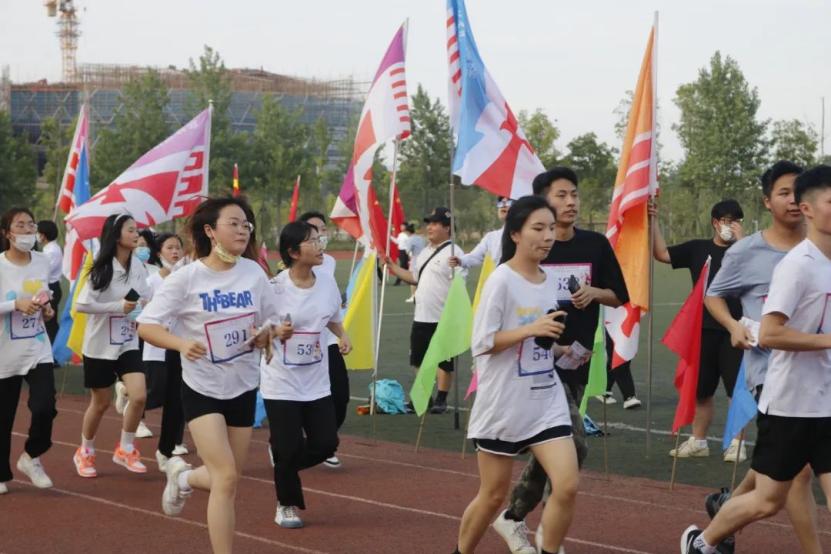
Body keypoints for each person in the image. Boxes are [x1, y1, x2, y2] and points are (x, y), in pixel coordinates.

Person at [681, 165, 831, 554]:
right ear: (769, 201)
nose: (791, 200)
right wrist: (733, 325)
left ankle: (726, 510)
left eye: (796, 191)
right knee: (787, 482)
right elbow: (723, 300)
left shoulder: (822, 254)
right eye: (784, 193)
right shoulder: (776, 260)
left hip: (823, 387)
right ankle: (708, 539)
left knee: (772, 482)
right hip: (776, 380)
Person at [493, 167, 629, 554]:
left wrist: (594, 293)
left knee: (559, 446)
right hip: (534, 362)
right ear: (542, 201)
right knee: (573, 444)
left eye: (575, 194)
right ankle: (536, 530)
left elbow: (620, 295)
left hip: (575, 361)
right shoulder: (530, 248)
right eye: (561, 195)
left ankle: (514, 518)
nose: (571, 202)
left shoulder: (595, 245)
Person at [138, 197, 278, 554]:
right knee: (226, 476)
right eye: (234, 223)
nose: (243, 230)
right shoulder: (187, 278)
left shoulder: (254, 273)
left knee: (226, 479)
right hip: (202, 388)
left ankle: (183, 476)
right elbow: (147, 325)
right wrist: (181, 344)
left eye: (246, 224)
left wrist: (268, 334)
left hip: (243, 386)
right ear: (210, 231)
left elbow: (271, 319)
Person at [455, 196, 576, 554]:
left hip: (545, 400)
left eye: (551, 228)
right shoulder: (501, 280)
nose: (548, 236)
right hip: (504, 404)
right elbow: (482, 343)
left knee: (567, 484)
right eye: (538, 228)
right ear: (516, 234)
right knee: (493, 496)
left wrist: (560, 348)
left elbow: (540, 337)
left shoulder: (550, 280)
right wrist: (530, 329)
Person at [261, 220, 352, 529]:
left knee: (326, 443)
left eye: (319, 239)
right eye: (312, 241)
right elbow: (256, 331)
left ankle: (284, 465)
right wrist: (277, 331)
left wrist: (342, 334)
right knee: (287, 447)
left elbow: (332, 316)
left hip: (316, 381)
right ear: (293, 252)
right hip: (281, 382)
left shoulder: (326, 283)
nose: (320, 245)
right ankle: (286, 504)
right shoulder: (274, 288)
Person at [650, 199, 746, 462]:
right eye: (727, 221)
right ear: (715, 223)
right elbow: (662, 254)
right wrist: (653, 220)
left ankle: (737, 443)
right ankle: (699, 441)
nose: (732, 226)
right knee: (700, 390)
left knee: (735, 391)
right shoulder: (697, 249)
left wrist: (743, 243)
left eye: (737, 221)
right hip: (702, 331)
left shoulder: (746, 249)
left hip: (736, 330)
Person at [73, 213, 152, 477]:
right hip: (100, 345)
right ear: (116, 235)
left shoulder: (138, 265)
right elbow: (82, 304)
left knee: (139, 396)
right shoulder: (102, 267)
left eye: (137, 229)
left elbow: (146, 296)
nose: (136, 234)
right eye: (131, 230)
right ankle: (85, 451)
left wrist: (142, 307)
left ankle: (125, 449)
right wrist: (118, 307)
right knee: (101, 403)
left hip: (127, 341)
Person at [385, 207, 466, 414]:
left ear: (447, 228)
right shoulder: (424, 252)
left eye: (435, 223)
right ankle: (423, 398)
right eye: (429, 223)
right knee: (418, 359)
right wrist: (392, 266)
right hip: (421, 316)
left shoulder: (454, 253)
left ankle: (441, 399)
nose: (429, 227)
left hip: (444, 318)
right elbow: (414, 277)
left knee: (444, 361)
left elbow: (459, 286)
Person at [0, 208, 58, 494]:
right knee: (4, 417)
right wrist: (15, 305)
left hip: (37, 347)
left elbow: (46, 295)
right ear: (7, 233)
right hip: (5, 351)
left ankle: (32, 455)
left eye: (31, 225)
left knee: (45, 406)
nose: (27, 230)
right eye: (20, 225)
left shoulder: (42, 260)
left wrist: (47, 309)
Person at [298, 211, 348, 468]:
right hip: (300, 343)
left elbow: (329, 300)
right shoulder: (290, 266)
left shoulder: (329, 261)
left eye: (323, 229)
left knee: (340, 394)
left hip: (327, 340)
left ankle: (322, 440)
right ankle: (283, 442)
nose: (320, 235)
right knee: (299, 398)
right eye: (313, 230)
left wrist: (342, 333)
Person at [143, 232, 189, 471]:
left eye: (178, 247)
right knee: (159, 391)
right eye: (169, 247)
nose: (175, 252)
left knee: (179, 397)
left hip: (184, 344)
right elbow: (142, 312)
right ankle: (134, 404)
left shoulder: (187, 275)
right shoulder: (153, 281)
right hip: (158, 345)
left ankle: (172, 444)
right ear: (159, 252)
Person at [449, 196, 511, 271]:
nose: (503, 205)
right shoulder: (491, 237)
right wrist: (460, 261)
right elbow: (475, 257)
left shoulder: (523, 236)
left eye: (508, 202)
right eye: (501, 202)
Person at [37, 220, 62, 345]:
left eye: (38, 233)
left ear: (43, 235)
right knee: (49, 322)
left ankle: (54, 349)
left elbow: (44, 271)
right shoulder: (49, 248)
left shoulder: (51, 251)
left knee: (50, 322)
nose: (37, 236)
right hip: (51, 286)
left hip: (51, 287)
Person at [404, 223, 425, 303]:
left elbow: (407, 251)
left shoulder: (410, 239)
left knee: (413, 279)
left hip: (415, 260)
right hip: (424, 259)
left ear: (407, 232)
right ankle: (420, 296)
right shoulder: (420, 238)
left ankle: (413, 296)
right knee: (421, 279)